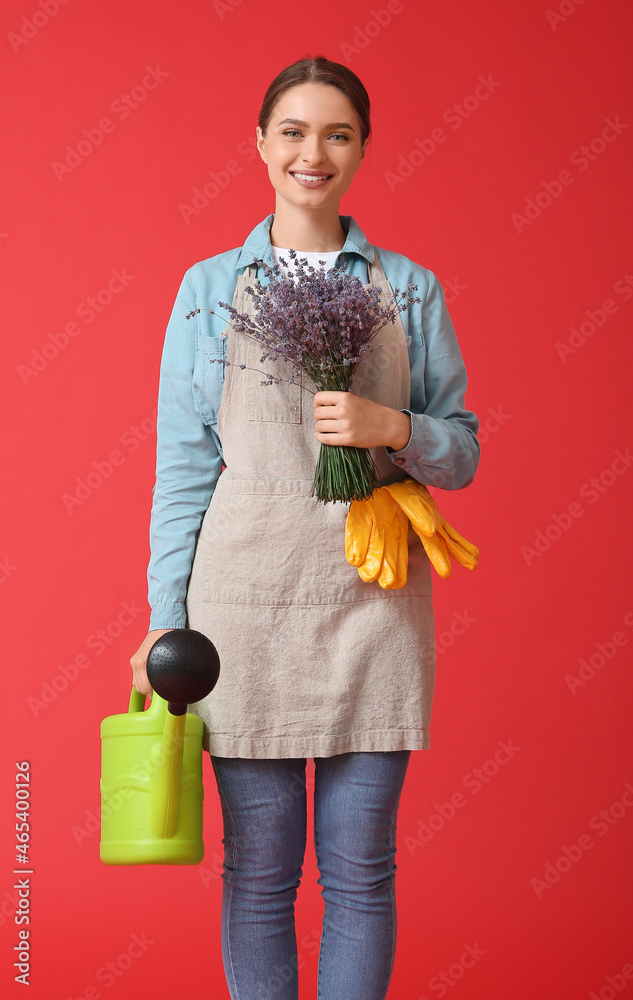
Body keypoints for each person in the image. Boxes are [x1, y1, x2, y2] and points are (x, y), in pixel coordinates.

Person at [130, 55, 479, 1000]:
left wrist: (394, 429)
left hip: (372, 601)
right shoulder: (206, 289)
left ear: (362, 149)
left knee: (361, 874)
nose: (311, 153)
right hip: (241, 612)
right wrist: (167, 620)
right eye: (292, 131)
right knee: (258, 877)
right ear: (258, 143)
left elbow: (464, 451)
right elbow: (182, 467)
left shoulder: (408, 288)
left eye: (336, 133)